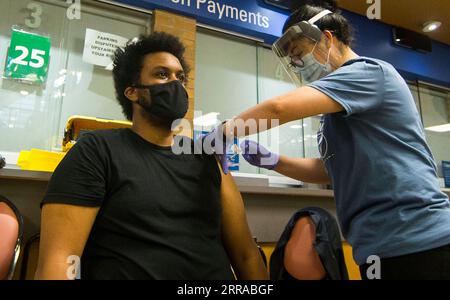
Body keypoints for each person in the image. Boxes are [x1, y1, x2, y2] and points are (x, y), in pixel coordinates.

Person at [208, 0, 450, 279]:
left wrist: (225, 131)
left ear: (327, 38)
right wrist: (272, 161)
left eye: (299, 53)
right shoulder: (337, 111)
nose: (297, 65)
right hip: (382, 248)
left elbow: (279, 109)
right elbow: (330, 169)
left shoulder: (368, 73)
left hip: (422, 243)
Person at [35, 32, 268, 280]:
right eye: (162, 74)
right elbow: (60, 260)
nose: (176, 84)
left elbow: (246, 255)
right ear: (133, 92)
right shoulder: (97, 151)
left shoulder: (207, 158)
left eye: (181, 77)